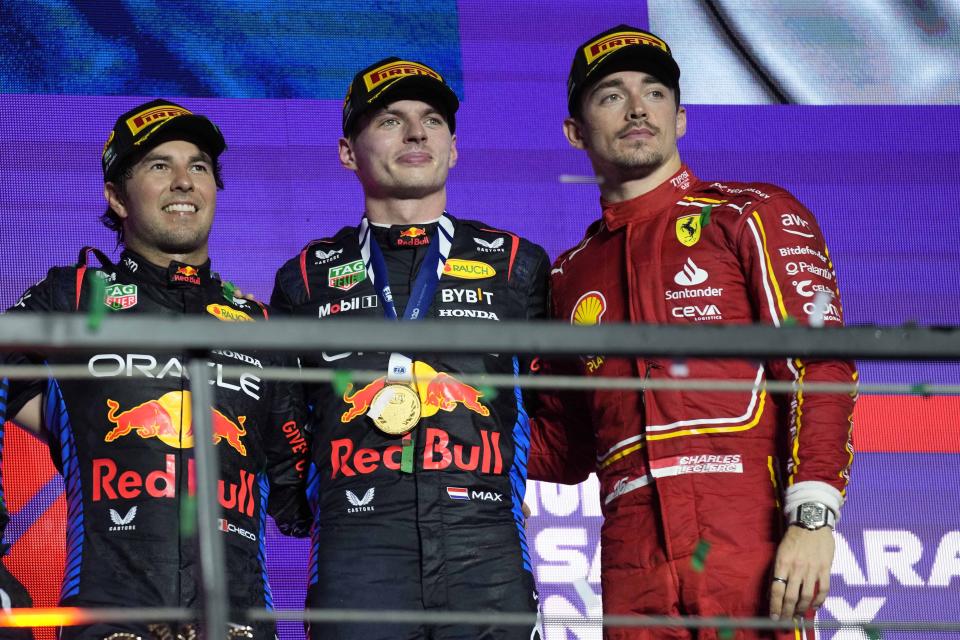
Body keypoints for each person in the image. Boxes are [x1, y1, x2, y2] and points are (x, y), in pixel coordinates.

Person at [528, 25, 857, 639]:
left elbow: (820, 362)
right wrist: (454, 415)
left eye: (654, 93)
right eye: (610, 96)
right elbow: (565, 448)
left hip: (746, 536)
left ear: (680, 118)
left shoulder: (751, 213)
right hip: (632, 557)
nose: (636, 109)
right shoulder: (567, 276)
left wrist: (812, 519)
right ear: (576, 132)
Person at [4, 99, 311, 640]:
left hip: (238, 622)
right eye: (158, 166)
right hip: (110, 617)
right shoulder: (73, 296)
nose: (184, 182)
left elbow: (298, 494)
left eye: (198, 166)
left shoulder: (261, 325)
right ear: (116, 196)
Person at [271, 57, 548, 640]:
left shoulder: (518, 261)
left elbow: (554, 404)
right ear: (349, 150)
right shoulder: (304, 275)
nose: (417, 133)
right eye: (391, 120)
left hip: (485, 547)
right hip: (357, 549)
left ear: (453, 148)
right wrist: (300, 494)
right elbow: (285, 411)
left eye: (433, 121)